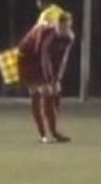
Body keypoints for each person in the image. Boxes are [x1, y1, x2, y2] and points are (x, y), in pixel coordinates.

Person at [17, 12, 74, 143]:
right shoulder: (48, 35)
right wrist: (49, 79)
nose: (64, 30)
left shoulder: (69, 37)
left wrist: (58, 77)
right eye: (62, 27)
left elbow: (63, 59)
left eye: (67, 27)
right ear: (57, 25)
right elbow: (43, 57)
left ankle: (53, 133)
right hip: (27, 57)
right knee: (38, 92)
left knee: (51, 92)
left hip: (38, 59)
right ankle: (44, 135)